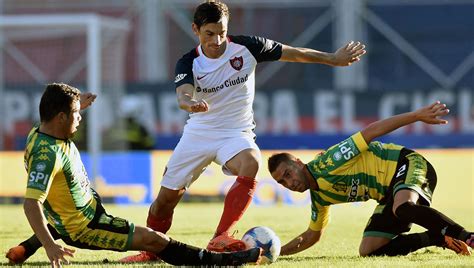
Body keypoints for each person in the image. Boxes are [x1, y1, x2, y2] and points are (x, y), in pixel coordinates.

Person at [120, 0, 367, 262]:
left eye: (222, 33)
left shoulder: (248, 47)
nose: (217, 40)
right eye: (209, 34)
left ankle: (220, 237)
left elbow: (293, 52)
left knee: (251, 161)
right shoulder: (188, 62)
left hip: (235, 132)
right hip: (199, 133)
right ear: (195, 29)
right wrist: (189, 103)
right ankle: (151, 252)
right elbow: (183, 95)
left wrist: (332, 59)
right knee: (164, 202)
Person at [5, 83, 262, 267]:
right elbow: (31, 204)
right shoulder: (47, 155)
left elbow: (56, 115)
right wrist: (50, 246)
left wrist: (76, 104)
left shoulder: (40, 130)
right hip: (85, 227)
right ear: (60, 117)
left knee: (61, 220)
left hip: (76, 214)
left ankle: (23, 250)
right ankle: (223, 261)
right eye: (75, 114)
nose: (80, 118)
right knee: (153, 239)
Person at [267, 101, 473, 257]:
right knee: (369, 250)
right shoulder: (320, 198)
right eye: (282, 182)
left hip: (407, 163)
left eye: (288, 173)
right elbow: (312, 236)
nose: (289, 183)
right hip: (388, 194)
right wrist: (276, 252)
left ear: (298, 162)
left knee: (403, 208)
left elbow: (371, 131)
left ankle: (467, 236)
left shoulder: (331, 161)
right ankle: (439, 237)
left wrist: (416, 116)